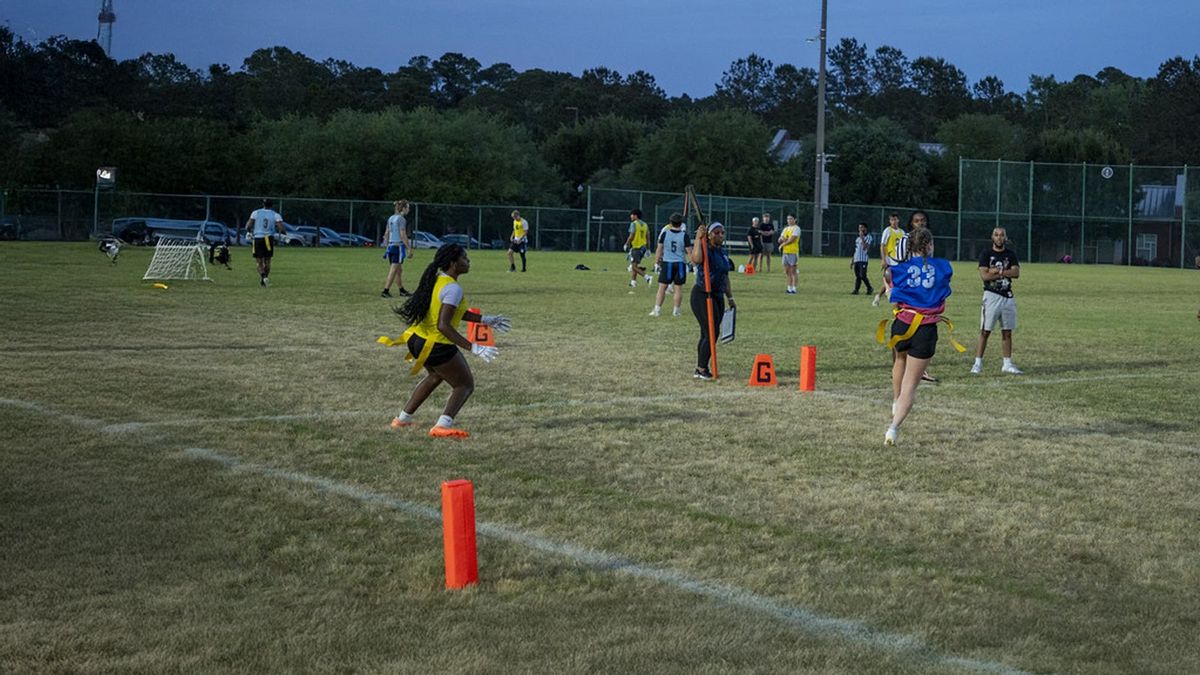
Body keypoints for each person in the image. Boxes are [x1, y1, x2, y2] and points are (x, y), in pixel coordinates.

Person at [389, 244, 511, 438]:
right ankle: (442, 425)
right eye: (465, 258)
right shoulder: (453, 288)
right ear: (454, 263)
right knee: (465, 385)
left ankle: (402, 419)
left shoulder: (436, 278)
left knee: (435, 376)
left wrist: (484, 319)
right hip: (435, 344)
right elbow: (443, 325)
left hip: (416, 338)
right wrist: (474, 348)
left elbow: (451, 311)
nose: (468, 261)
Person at [883, 227, 952, 446]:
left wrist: (888, 285)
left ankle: (895, 401)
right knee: (911, 384)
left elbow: (891, 295)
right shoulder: (942, 266)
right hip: (925, 328)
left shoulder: (900, 269)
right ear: (929, 245)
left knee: (899, 360)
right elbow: (942, 292)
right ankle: (893, 428)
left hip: (903, 323)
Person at [971, 227, 1023, 375]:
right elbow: (985, 276)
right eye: (996, 235)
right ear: (992, 237)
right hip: (991, 296)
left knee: (1007, 331)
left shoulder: (1010, 254)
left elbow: (1016, 272)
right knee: (985, 331)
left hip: (1007, 296)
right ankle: (977, 363)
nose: (999, 238)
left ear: (1005, 238)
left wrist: (998, 271)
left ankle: (1007, 363)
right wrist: (1002, 273)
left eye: (1002, 235)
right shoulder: (986, 254)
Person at [689, 222, 736, 380]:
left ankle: (701, 366)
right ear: (709, 235)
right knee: (711, 332)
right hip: (703, 294)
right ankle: (701, 369)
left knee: (708, 333)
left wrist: (730, 297)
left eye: (722, 232)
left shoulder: (723, 252)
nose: (720, 235)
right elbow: (696, 259)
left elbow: (725, 276)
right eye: (716, 233)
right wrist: (698, 238)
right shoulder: (704, 248)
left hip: (717, 295)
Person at [650, 212, 692, 317]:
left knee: (662, 288)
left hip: (667, 263)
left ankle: (657, 310)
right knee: (678, 288)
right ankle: (676, 311)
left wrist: (656, 262)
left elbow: (659, 249)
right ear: (681, 223)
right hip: (680, 264)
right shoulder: (685, 236)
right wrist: (694, 264)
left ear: (670, 223)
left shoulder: (665, 234)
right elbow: (689, 252)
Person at [246, 198, 285, 287]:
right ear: (272, 205)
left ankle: (263, 277)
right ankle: (265, 278)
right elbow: (281, 228)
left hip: (258, 238)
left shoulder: (255, 213)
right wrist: (284, 234)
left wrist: (249, 232)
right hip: (268, 238)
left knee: (259, 261)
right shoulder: (276, 215)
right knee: (267, 260)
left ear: (263, 204)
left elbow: (248, 225)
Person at [872, 212, 904, 307]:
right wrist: (883, 259)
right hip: (889, 260)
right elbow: (882, 246)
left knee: (894, 281)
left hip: (899, 261)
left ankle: (878, 296)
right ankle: (893, 299)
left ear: (898, 220)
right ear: (890, 221)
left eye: (895, 219)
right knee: (889, 280)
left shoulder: (902, 232)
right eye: (892, 220)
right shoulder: (887, 231)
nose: (894, 221)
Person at [382, 199, 412, 298]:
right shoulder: (401, 219)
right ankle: (385, 291)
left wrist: (387, 246)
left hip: (391, 246)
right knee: (393, 270)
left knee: (398, 270)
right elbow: (402, 235)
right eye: (408, 207)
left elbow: (386, 233)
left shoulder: (391, 218)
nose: (409, 210)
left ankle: (401, 290)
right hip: (397, 247)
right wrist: (409, 248)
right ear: (403, 208)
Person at [624, 209, 653, 288]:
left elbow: (631, 235)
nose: (631, 216)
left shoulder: (634, 224)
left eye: (632, 215)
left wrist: (626, 243)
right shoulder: (645, 225)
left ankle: (647, 277)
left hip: (636, 247)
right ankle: (633, 282)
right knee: (635, 265)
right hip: (643, 247)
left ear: (635, 216)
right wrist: (648, 249)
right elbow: (648, 237)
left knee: (633, 266)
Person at [778, 214, 801, 294]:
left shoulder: (796, 228)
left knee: (793, 271)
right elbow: (781, 238)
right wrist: (782, 240)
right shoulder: (786, 229)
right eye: (788, 219)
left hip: (793, 252)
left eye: (791, 219)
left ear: (795, 220)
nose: (789, 220)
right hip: (785, 252)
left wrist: (783, 244)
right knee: (787, 271)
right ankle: (789, 288)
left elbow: (792, 239)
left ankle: (794, 289)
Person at [851, 222, 874, 295]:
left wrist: (862, 238)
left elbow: (865, 248)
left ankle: (869, 288)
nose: (860, 229)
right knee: (858, 276)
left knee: (863, 275)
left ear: (865, 228)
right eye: (859, 228)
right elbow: (856, 250)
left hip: (863, 260)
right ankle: (856, 290)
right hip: (857, 259)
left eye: (861, 227)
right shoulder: (857, 239)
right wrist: (852, 260)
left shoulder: (868, 237)